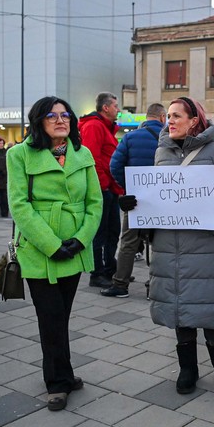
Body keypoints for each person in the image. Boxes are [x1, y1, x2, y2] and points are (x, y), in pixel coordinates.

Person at [122, 97, 214, 394]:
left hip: (206, 245)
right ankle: (187, 368)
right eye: (168, 117)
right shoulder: (161, 151)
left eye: (177, 116)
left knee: (211, 306)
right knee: (179, 309)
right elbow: (155, 195)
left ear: (194, 120)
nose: (170, 121)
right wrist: (133, 204)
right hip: (170, 245)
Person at [8, 96, 103, 411]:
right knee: (50, 318)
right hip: (39, 251)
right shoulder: (19, 155)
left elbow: (94, 202)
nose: (61, 120)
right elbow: (20, 206)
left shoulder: (83, 154)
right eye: (52, 115)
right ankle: (57, 383)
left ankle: (64, 372)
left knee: (61, 316)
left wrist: (81, 239)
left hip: (74, 249)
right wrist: (51, 244)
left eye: (65, 115)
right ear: (38, 121)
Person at [100, 103, 165, 298]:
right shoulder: (169, 138)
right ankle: (153, 285)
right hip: (164, 201)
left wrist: (128, 188)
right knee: (160, 243)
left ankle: (120, 284)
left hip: (136, 200)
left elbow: (115, 166)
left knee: (128, 241)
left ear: (146, 117)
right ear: (162, 117)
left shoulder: (130, 137)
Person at [79, 92, 123, 288]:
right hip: (102, 189)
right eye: (115, 106)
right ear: (105, 107)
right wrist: (103, 184)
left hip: (110, 189)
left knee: (113, 231)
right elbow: (92, 159)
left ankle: (109, 269)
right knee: (101, 232)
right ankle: (97, 273)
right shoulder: (94, 126)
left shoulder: (104, 128)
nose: (118, 109)